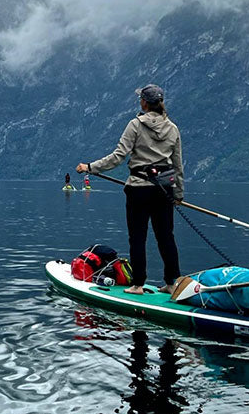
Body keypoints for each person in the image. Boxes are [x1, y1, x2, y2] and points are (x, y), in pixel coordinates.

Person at [76, 83, 184, 295]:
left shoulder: (135, 125)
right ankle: (172, 283)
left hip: (139, 190)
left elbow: (118, 157)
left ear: (144, 102)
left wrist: (89, 167)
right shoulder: (173, 128)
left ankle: (138, 285)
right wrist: (178, 194)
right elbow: (178, 165)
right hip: (164, 190)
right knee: (166, 237)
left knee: (137, 237)